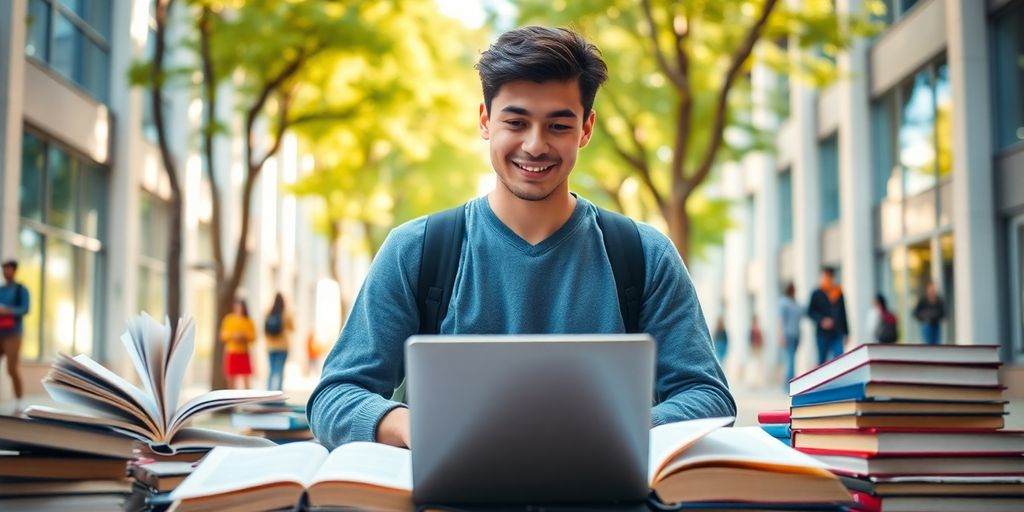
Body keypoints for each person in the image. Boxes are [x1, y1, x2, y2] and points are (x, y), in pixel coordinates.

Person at [307, 26, 735, 450]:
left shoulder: (645, 255)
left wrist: (620, 428)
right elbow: (333, 397)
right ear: (484, 121)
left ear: (586, 129)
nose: (535, 145)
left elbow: (710, 398)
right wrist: (410, 426)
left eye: (558, 126)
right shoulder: (416, 251)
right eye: (516, 121)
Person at [0, 260, 30, 411]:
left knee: (11, 368)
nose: (6, 271)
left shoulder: (20, 289)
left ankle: (19, 399)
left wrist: (8, 310)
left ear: (14, 270)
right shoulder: (1, 289)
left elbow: (25, 309)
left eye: (9, 269)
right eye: (4, 269)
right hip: (0, 333)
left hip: (13, 334)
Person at [807, 266, 849, 365]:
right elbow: (810, 312)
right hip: (822, 334)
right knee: (822, 361)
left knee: (839, 359)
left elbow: (843, 313)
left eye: (829, 276)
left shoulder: (838, 292)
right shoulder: (817, 293)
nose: (827, 279)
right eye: (825, 276)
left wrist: (847, 333)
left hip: (837, 332)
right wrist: (822, 320)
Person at [220, 298, 255, 389]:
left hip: (244, 352)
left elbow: (253, 336)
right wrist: (233, 335)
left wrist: (244, 336)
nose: (239, 308)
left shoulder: (248, 321)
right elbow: (223, 335)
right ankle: (231, 399)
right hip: (232, 352)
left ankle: (247, 398)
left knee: (246, 379)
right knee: (231, 380)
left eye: (240, 306)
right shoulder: (229, 319)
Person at [263, 293, 293, 391]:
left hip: (271, 346)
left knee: (271, 370)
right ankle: (279, 393)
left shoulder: (268, 312)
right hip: (282, 347)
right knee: (279, 370)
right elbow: (293, 327)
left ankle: (268, 393)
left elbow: (265, 330)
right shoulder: (286, 313)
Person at [778, 283, 802, 385]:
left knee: (792, 360)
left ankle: (789, 383)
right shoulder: (784, 302)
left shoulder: (795, 303)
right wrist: (781, 336)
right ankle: (790, 384)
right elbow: (780, 320)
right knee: (790, 360)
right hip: (788, 335)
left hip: (796, 335)